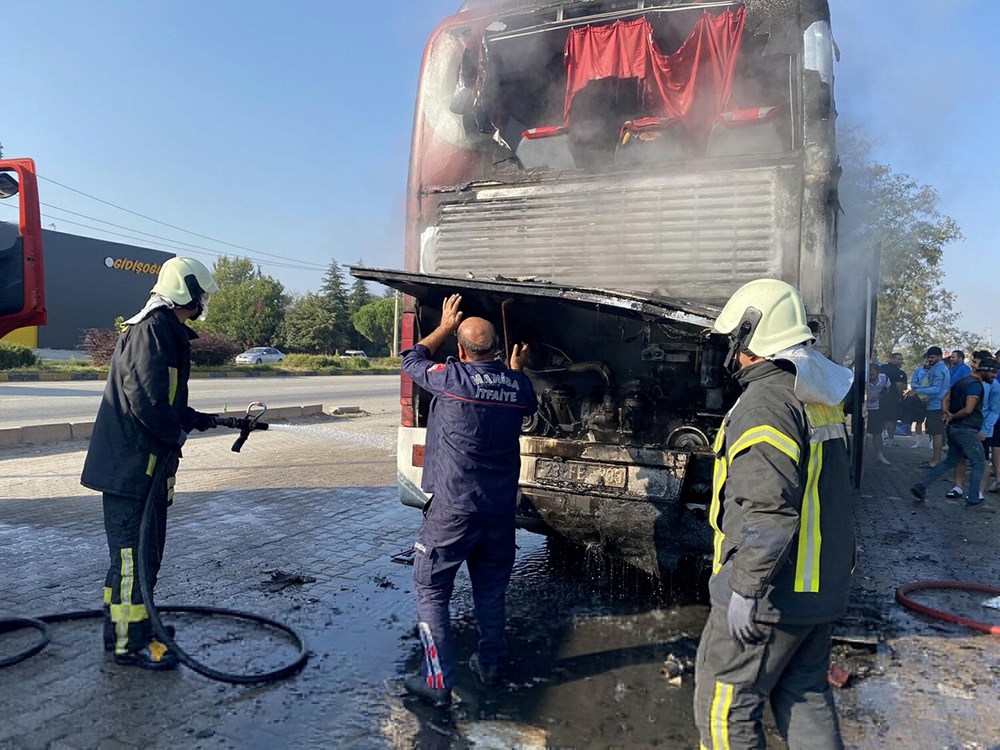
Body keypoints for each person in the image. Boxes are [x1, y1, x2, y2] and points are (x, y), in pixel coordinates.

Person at [694, 279, 855, 750]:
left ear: (751, 336)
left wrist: (745, 588)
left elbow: (768, 508)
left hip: (773, 596)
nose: (731, 351)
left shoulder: (766, 403)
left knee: (725, 709)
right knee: (805, 698)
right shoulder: (815, 392)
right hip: (819, 587)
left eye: (733, 340)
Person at [81, 257, 220, 670]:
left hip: (144, 470)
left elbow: (165, 398)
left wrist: (197, 419)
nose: (203, 301)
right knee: (131, 563)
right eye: (201, 293)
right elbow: (144, 401)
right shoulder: (152, 330)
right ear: (187, 290)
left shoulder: (165, 331)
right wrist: (174, 432)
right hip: (131, 472)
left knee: (142, 559)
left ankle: (130, 629)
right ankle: (129, 644)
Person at [401, 294, 537, 708]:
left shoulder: (453, 378)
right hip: (499, 513)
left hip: (453, 511)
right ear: (498, 348)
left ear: (460, 350)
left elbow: (411, 360)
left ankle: (438, 682)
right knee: (491, 591)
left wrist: (442, 325)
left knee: (431, 587)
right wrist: (514, 370)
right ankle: (490, 665)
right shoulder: (518, 386)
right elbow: (526, 402)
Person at [911, 357, 995, 509]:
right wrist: (953, 415)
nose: (994, 376)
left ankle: (922, 485)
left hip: (954, 429)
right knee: (979, 463)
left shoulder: (961, 381)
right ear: (985, 370)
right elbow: (969, 409)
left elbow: (945, 398)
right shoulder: (975, 385)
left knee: (950, 461)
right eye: (993, 372)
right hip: (966, 429)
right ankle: (974, 499)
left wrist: (946, 414)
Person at [905, 347, 951, 468]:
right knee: (935, 432)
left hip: (936, 405)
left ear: (939, 357)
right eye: (929, 357)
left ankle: (936, 460)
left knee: (936, 433)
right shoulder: (938, 368)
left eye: (932, 357)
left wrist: (917, 391)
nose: (930, 360)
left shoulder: (938, 370)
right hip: (935, 404)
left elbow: (936, 389)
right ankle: (935, 458)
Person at [865, 362, 892, 465]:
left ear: (878, 372)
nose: (870, 376)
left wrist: (879, 396)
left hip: (876, 409)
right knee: (863, 434)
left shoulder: (884, 378)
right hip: (863, 409)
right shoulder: (863, 378)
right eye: (869, 374)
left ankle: (880, 455)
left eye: (872, 374)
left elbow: (887, 389)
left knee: (877, 433)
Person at [879, 352, 907, 445]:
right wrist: (895, 384)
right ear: (891, 359)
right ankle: (883, 436)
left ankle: (890, 439)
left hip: (896, 399)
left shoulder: (902, 373)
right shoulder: (883, 368)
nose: (900, 361)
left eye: (901, 359)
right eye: (898, 359)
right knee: (883, 418)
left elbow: (903, 386)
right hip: (883, 398)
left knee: (892, 419)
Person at [905, 356, 931, 449]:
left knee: (931, 421)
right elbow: (913, 383)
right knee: (918, 420)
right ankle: (918, 441)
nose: (928, 361)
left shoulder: (935, 372)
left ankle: (932, 442)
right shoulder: (918, 370)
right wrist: (918, 389)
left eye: (929, 359)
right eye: (926, 359)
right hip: (919, 398)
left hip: (931, 398)